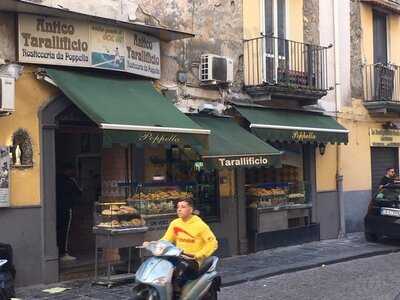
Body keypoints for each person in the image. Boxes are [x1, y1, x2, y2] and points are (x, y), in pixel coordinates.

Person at [145, 198, 218, 288]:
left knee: (179, 274)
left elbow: (213, 243)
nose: (179, 209)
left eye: (183, 207)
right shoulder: (175, 223)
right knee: (159, 266)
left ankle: (177, 293)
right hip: (177, 257)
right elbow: (166, 239)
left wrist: (198, 255)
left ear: (191, 210)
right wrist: (154, 244)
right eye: (178, 207)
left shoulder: (200, 225)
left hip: (193, 261)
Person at [56, 162, 82, 261]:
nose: (74, 172)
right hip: (66, 208)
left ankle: (58, 251)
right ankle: (63, 253)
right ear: (68, 170)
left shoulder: (55, 179)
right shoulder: (70, 180)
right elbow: (79, 192)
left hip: (55, 208)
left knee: (58, 230)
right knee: (64, 231)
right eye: (72, 170)